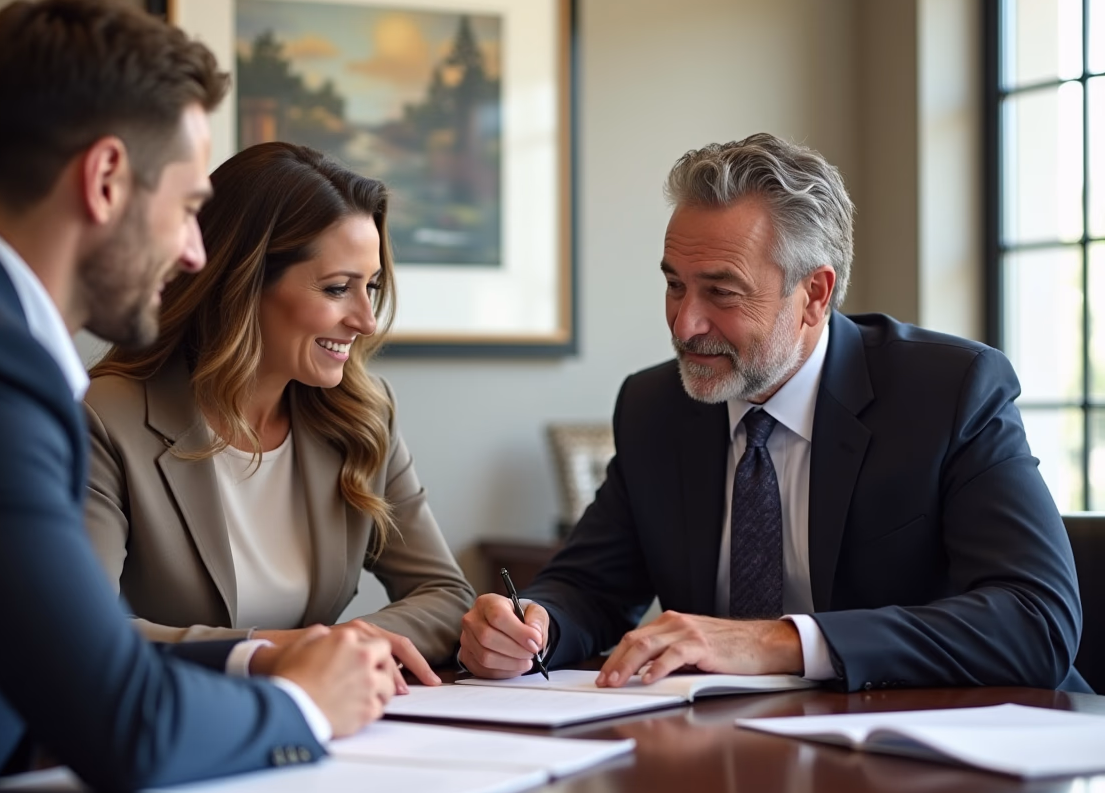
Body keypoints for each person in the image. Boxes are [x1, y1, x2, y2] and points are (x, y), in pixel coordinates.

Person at [0, 0, 398, 793]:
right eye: (189, 208)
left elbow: (64, 653)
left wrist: (257, 654)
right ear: (104, 180)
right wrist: (302, 706)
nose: (195, 253)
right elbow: (120, 724)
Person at [459, 133, 1087, 693]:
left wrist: (776, 642)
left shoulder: (948, 391)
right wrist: (531, 628)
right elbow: (589, 586)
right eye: (675, 284)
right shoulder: (656, 407)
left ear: (814, 294)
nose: (684, 323)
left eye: (721, 292)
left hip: (944, 765)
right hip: (733, 758)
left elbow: (1036, 620)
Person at [81, 141, 473, 682]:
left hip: (333, 731)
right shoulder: (107, 419)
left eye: (372, 287)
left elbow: (447, 594)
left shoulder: (363, 414)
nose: (365, 320)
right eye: (338, 288)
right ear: (241, 284)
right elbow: (83, 631)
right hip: (175, 734)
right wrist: (275, 652)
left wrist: (352, 641)